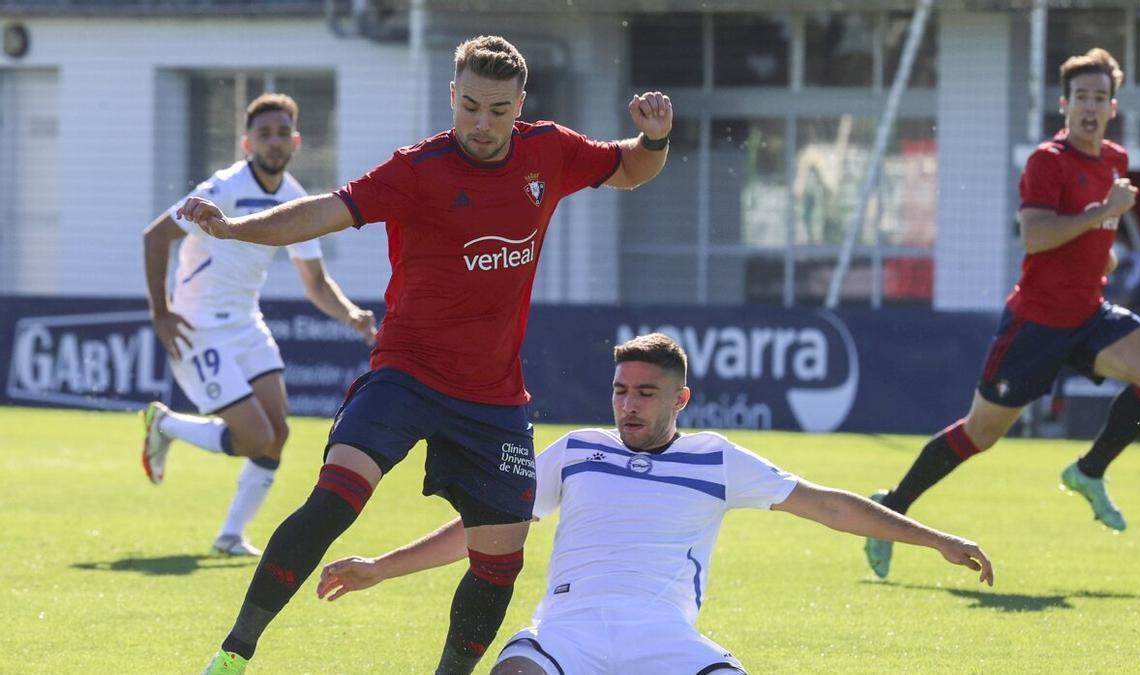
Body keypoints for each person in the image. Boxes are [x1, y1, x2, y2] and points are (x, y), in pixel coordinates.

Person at [180, 36, 675, 675]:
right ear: (452, 96)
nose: (482, 123)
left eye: (498, 110)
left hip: (493, 396)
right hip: (405, 374)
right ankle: (234, 653)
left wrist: (656, 138)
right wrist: (234, 228)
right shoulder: (417, 169)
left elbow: (631, 168)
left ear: (520, 104)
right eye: (469, 106)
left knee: (500, 560)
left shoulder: (549, 150)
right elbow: (322, 213)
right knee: (336, 499)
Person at [315, 333, 994, 675]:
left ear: (680, 399)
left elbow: (831, 507)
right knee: (514, 671)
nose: (629, 404)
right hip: (567, 631)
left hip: (662, 638)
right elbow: (483, 530)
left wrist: (935, 539)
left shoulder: (716, 458)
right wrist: (379, 566)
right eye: (621, 390)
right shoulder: (576, 450)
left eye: (645, 392)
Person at [864, 48, 1140, 579]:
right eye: (1080, 97)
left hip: (1090, 314)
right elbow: (1035, 237)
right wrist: (1103, 213)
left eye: (1099, 98)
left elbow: (1091, 238)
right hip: (1036, 325)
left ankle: (1089, 471)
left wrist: (1101, 253)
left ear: (1112, 107)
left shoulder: (1115, 160)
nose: (1089, 106)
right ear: (1064, 104)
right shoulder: (1047, 161)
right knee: (980, 434)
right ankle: (891, 509)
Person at [141, 92, 376, 557]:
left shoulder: (293, 198)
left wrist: (351, 314)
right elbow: (155, 237)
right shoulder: (223, 187)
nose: (274, 141)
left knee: (277, 435)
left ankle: (230, 536)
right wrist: (161, 313)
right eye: (264, 134)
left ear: (296, 141)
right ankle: (164, 424)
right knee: (254, 437)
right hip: (198, 328)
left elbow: (315, 281)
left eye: (282, 133)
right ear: (247, 143)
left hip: (247, 325)